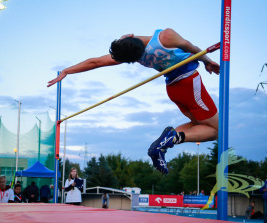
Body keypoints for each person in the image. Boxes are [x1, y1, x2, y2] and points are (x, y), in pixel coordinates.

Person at [47, 28, 219, 174]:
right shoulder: (165, 36)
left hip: (173, 88)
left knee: (199, 125)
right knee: (217, 130)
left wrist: (67, 71)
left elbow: (96, 62)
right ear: (130, 35)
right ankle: (171, 139)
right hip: (189, 83)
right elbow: (193, 48)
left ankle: (163, 144)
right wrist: (208, 62)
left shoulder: (136, 56)